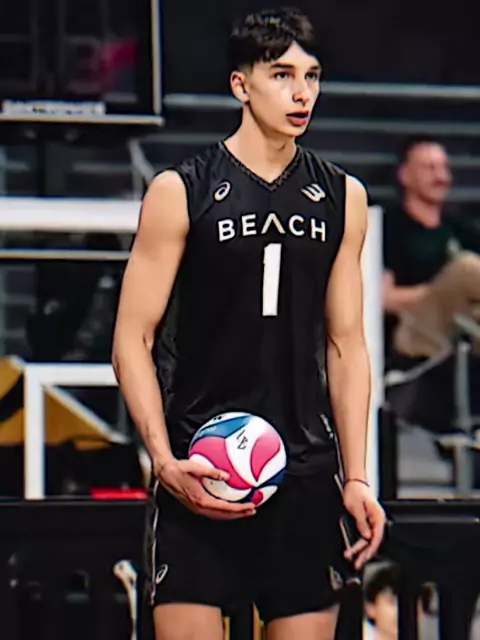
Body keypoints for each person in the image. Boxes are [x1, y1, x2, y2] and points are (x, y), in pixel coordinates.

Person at [112, 7, 385, 640]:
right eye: (282, 75)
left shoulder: (343, 196)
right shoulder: (180, 190)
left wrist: (356, 477)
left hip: (304, 471)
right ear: (241, 84)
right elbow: (131, 338)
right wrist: (164, 461)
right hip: (199, 465)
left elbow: (346, 344)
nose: (301, 93)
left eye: (312, 76)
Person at [383, 135, 480, 359]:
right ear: (404, 175)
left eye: (444, 168)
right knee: (464, 269)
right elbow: (384, 298)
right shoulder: (389, 228)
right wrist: (444, 290)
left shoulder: (462, 230)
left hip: (461, 329)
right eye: (429, 168)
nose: (440, 176)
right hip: (413, 334)